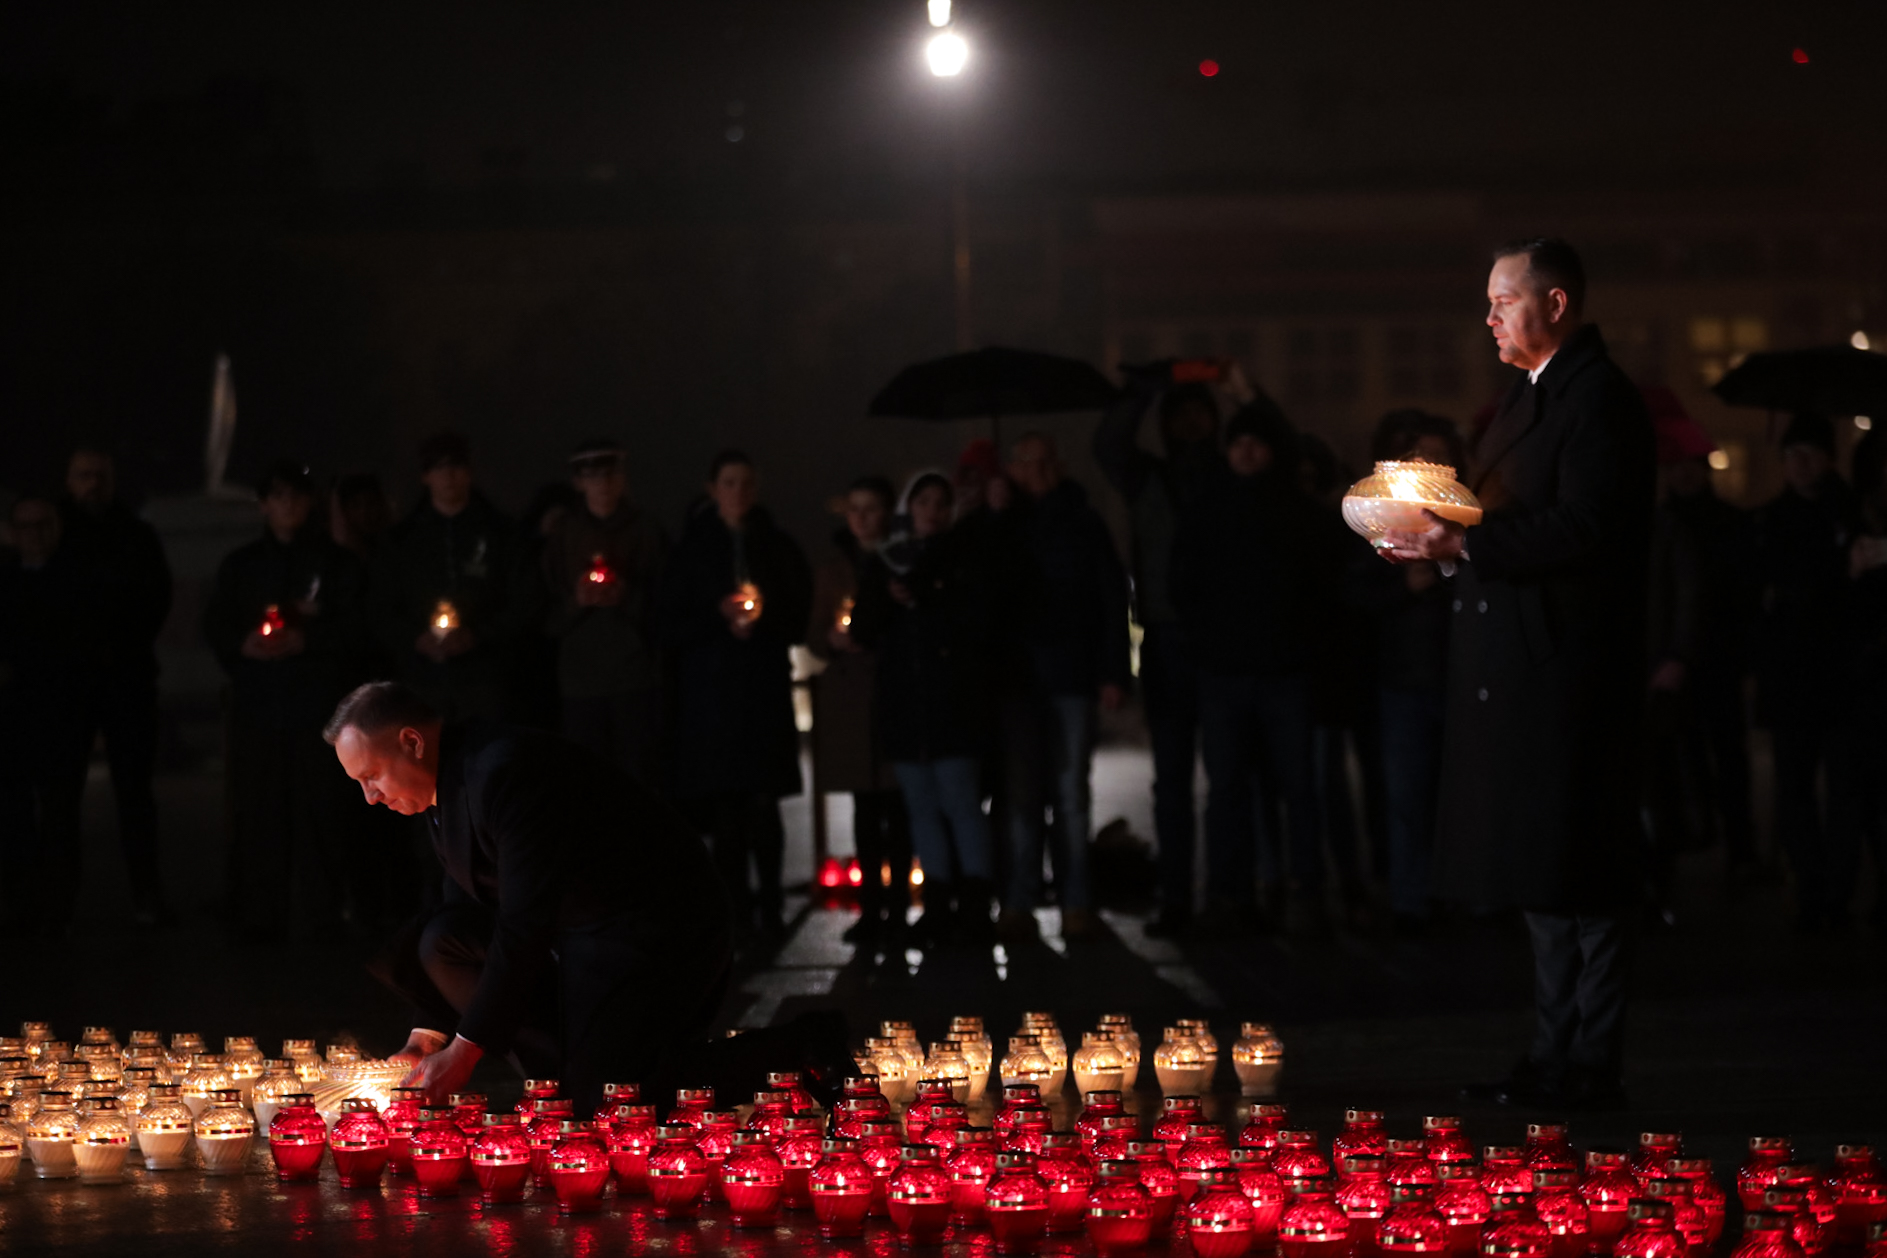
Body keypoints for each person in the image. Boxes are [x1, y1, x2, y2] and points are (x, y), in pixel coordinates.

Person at [1384, 238, 1655, 1110]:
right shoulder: (1531, 395)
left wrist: (1466, 543)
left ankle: (1589, 1062)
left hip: (1567, 670)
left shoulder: (1597, 398)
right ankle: (1552, 1053)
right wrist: (1441, 540)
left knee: (1582, 873)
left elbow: (1588, 526)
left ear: (1556, 303)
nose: (1489, 316)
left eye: (1504, 300)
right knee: (1543, 872)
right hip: (1524, 663)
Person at [324, 681, 733, 1115]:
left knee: (616, 1103)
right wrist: (425, 1041)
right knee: (441, 938)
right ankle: (562, 1077)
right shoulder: (446, 781)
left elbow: (524, 923)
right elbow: (464, 904)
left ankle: (773, 1061)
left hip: (651, 929)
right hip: (576, 931)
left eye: (372, 775)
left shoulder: (503, 771)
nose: (370, 797)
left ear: (412, 742)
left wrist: (462, 1054)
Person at [1171, 401, 1335, 935]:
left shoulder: (1299, 512)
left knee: (1296, 788)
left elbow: (1322, 590)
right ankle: (1231, 895)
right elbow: (1182, 583)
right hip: (1225, 672)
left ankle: (1302, 893)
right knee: (1228, 791)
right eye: (1237, 442)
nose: (1245, 452)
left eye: (1255, 443)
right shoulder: (1207, 508)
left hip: (1283, 671)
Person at [1091, 362, 1240, 936]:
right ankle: (1177, 898)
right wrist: (1147, 389)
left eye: (1201, 412)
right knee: (1173, 781)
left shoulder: (1231, 474)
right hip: (1168, 637)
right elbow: (1108, 443)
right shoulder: (1146, 476)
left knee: (1227, 779)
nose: (1192, 423)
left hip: (1222, 640)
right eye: (1182, 414)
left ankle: (1226, 896)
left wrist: (1239, 390)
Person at [202, 460, 370, 936]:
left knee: (321, 810)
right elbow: (216, 622)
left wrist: (309, 641)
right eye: (278, 496)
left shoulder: (337, 564)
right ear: (263, 505)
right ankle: (259, 914)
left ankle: (322, 913)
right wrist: (243, 645)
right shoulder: (242, 566)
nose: (288, 504)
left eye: (296, 495)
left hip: (318, 708)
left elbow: (360, 626)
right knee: (260, 811)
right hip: (260, 705)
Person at [658, 450, 813, 947]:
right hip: (714, 697)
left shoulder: (777, 546)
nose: (738, 492)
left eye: (746, 482)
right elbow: (666, 624)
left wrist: (763, 619)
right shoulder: (692, 551)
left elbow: (798, 614)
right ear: (712, 489)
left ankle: (771, 907)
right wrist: (717, 616)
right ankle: (735, 911)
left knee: (764, 808)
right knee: (726, 814)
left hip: (762, 692)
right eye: (729, 482)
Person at [990, 432, 1131, 942]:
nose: (1036, 469)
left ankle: (1075, 901)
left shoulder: (1083, 521)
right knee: (1022, 797)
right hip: (1019, 680)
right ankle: (1019, 901)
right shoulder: (1005, 524)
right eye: (1025, 461)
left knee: (1069, 794)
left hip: (1070, 674)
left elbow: (1111, 597)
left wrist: (1112, 670)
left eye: (1043, 459)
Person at [850, 471, 996, 948]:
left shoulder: (964, 559)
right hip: (906, 707)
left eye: (940, 502)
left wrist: (930, 593)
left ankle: (975, 904)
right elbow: (863, 628)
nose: (932, 511)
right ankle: (936, 903)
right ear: (908, 509)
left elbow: (976, 624)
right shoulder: (886, 561)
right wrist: (887, 599)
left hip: (952, 705)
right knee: (922, 810)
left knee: (961, 804)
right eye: (923, 501)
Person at [1343, 411, 1466, 931]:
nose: (1430, 464)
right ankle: (1412, 900)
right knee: (1407, 799)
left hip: (1460, 680)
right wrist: (1403, 588)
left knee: (1458, 799)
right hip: (1402, 680)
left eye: (1440, 456)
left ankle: (1463, 896)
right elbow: (1355, 592)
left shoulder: (1471, 519)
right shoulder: (1381, 519)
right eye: (1422, 456)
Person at [1752, 412, 1863, 935]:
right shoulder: (1772, 520)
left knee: (1844, 790)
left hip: (1843, 674)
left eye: (1809, 455)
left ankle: (1835, 892)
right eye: (1791, 455)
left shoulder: (1854, 515)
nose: (1799, 465)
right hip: (1792, 674)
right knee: (1795, 788)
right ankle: (1813, 887)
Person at [56, 445, 174, 924]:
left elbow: (157, 597)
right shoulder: (59, 532)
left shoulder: (135, 535)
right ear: (69, 481)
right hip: (73, 681)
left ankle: (144, 893)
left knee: (134, 793)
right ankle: (62, 898)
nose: (93, 484)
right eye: (84, 475)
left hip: (123, 678)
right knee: (63, 793)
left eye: (100, 475)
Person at [1646, 404, 1758, 884]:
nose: (1684, 475)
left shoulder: (1729, 523)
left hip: (1717, 659)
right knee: (1680, 762)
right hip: (1677, 663)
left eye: (1691, 466)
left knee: (1728, 759)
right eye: (1676, 467)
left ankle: (1739, 850)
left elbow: (1742, 593)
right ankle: (1695, 844)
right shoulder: (1661, 524)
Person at [369, 432, 541, 723]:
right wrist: (416, 639)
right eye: (439, 467)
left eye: (456, 465)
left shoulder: (502, 533)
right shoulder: (401, 541)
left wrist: (478, 636)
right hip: (422, 678)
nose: (448, 475)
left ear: (469, 471)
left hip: (487, 677)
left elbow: (526, 600)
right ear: (426, 476)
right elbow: (380, 606)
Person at [806, 475, 911, 949]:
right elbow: (813, 633)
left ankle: (898, 908)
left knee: (898, 810)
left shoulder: (900, 562)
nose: (862, 518)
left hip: (891, 691)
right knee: (865, 810)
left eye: (871, 509)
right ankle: (872, 908)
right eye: (855, 509)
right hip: (851, 700)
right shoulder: (832, 570)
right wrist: (831, 639)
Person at [540, 438, 668, 783]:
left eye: (610, 475)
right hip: (581, 680)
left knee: (637, 774)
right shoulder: (563, 535)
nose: (603, 484)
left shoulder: (646, 530)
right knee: (587, 777)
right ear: (579, 482)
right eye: (593, 476)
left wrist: (626, 597)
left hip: (634, 676)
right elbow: (543, 612)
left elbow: (666, 603)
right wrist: (577, 601)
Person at [0, 494, 94, 935]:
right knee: (15, 814)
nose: (34, 535)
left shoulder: (76, 579)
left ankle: (55, 905)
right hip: (14, 718)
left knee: (59, 814)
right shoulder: (7, 581)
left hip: (60, 717)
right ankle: (24, 902)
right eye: (26, 526)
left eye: (42, 525)